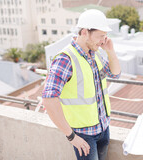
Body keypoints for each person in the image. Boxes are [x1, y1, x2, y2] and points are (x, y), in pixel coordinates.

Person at [42, 9, 121, 160]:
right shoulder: (65, 59)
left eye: (105, 36)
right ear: (85, 32)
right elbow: (49, 99)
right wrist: (71, 136)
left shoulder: (95, 54)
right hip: (84, 135)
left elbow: (115, 74)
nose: (103, 40)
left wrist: (110, 51)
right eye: (100, 36)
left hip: (103, 128)